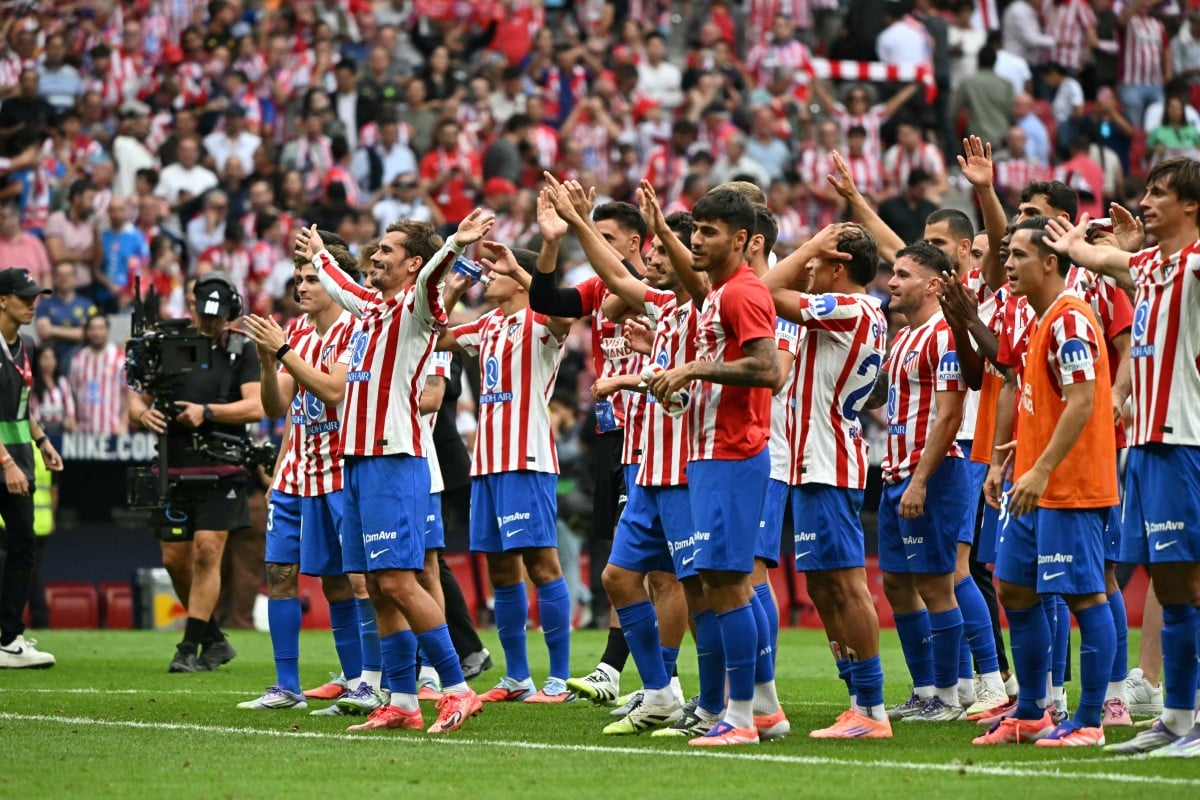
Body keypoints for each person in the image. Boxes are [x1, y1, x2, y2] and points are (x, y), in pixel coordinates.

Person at [301, 209, 493, 734]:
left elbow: (433, 278)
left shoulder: (417, 307)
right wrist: (318, 252)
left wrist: (454, 244)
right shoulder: (369, 308)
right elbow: (340, 286)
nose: (375, 255)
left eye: (386, 250)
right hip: (358, 461)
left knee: (399, 581)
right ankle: (403, 700)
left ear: (411, 263)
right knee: (377, 586)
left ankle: (457, 689)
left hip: (395, 460)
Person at [1043, 158, 1200, 756]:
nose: (1147, 200)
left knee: (1191, 581)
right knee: (1170, 583)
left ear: (1192, 206)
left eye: (1160, 193)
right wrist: (1077, 242)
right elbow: (1106, 260)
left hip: (1187, 440)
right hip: (1149, 446)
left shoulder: (1195, 263)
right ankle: (1178, 717)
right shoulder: (1152, 266)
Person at [645, 188, 782, 746]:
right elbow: (696, 273)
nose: (696, 240)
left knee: (728, 587)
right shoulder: (716, 291)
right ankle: (764, 709)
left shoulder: (742, 294)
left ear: (745, 240)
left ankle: (742, 719)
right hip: (708, 453)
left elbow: (769, 370)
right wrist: (662, 225)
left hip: (731, 452)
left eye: (709, 232)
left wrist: (695, 368)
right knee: (724, 584)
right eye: (694, 230)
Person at [973, 218, 1118, 747]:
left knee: (1085, 597)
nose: (1007, 264)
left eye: (1018, 255)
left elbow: (1082, 402)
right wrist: (1017, 453)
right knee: (1013, 586)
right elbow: (1052, 403)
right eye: (1006, 255)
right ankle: (1033, 711)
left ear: (1051, 261)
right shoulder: (1041, 320)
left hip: (1070, 485)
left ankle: (1091, 721)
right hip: (1035, 482)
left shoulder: (1070, 319)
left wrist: (1042, 465)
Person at [764, 223, 891, 738]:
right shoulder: (849, 313)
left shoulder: (854, 308)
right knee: (821, 584)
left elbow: (767, 290)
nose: (807, 269)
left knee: (847, 583)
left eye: (817, 263)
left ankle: (873, 710)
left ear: (839, 267)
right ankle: (857, 694)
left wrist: (809, 246)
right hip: (811, 461)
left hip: (830, 460)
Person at [436, 241, 574, 704]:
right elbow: (437, 336)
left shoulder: (540, 323)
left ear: (519, 279)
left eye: (497, 270)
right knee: (500, 569)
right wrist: (452, 289)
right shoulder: (489, 324)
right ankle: (517, 678)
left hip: (526, 460)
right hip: (488, 465)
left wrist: (520, 266)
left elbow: (564, 317)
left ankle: (558, 679)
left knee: (540, 563)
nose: (488, 275)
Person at [234, 237, 364, 713]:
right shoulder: (300, 332)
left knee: (343, 582)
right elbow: (276, 406)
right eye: (299, 278)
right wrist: (268, 363)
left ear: (335, 281)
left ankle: (360, 683)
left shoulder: (354, 329)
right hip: (296, 473)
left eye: (312, 278)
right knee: (280, 572)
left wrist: (283, 350)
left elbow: (332, 392)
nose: (302, 286)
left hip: (339, 472)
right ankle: (286, 686)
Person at [127, 274, 263, 673]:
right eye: (205, 319)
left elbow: (255, 407)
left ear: (231, 316)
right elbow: (137, 395)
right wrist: (142, 413)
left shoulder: (242, 350)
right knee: (174, 558)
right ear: (191, 311)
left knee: (207, 550)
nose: (211, 327)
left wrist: (207, 412)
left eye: (219, 320)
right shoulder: (168, 344)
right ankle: (214, 640)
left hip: (222, 466)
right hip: (174, 464)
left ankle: (188, 647)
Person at [866, 241, 969, 724]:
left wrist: (921, 481)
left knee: (935, 584)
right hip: (894, 473)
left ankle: (948, 696)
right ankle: (925, 688)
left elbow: (950, 416)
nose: (892, 281)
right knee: (896, 583)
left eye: (903, 275)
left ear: (932, 284)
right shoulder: (904, 336)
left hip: (930, 475)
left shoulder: (945, 336)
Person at [0, 268, 63, 669]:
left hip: (20, 459)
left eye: (35, 296)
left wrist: (42, 442)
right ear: (2, 300)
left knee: (23, 545)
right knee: (21, 546)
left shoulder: (27, 346)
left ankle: (9, 638)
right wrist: (6, 462)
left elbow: (22, 408)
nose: (32, 303)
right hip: (8, 462)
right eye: (24, 297)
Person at [68, 313, 126, 434]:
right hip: (84, 433)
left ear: (107, 330)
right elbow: (71, 393)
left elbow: (129, 394)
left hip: (113, 431)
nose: (96, 333)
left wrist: (123, 424)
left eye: (100, 328)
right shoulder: (78, 359)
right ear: (87, 331)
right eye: (93, 328)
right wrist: (72, 421)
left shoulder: (119, 358)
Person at [35, 262, 97, 373]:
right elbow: (44, 332)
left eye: (68, 275)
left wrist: (53, 330)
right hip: (52, 364)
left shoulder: (88, 305)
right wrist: (76, 332)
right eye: (60, 275)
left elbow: (89, 334)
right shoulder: (44, 304)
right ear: (54, 278)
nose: (65, 279)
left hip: (82, 363)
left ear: (75, 278)